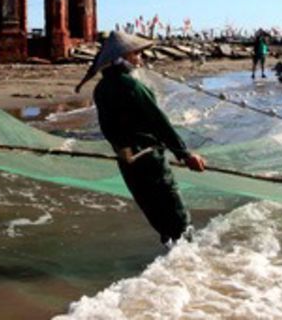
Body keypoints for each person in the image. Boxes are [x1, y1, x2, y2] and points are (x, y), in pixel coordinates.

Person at [76, 31, 207, 246]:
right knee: (178, 217)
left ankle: (171, 266)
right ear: (124, 57)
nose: (140, 58)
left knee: (158, 215)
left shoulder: (101, 89)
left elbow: (108, 129)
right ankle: (189, 266)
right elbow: (159, 123)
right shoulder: (131, 86)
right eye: (136, 53)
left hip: (127, 161)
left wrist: (124, 149)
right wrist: (184, 154)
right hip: (149, 159)